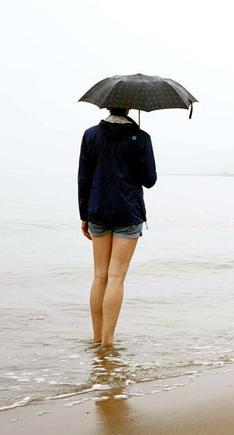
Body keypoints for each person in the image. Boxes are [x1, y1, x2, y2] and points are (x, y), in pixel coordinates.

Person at [78, 108, 156, 346]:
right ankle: (108, 343)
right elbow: (149, 180)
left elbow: (84, 177)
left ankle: (96, 338)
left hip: (98, 211)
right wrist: (138, 147)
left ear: (106, 106)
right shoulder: (140, 138)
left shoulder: (90, 135)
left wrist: (84, 215)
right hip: (128, 211)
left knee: (99, 275)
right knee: (116, 277)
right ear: (130, 108)